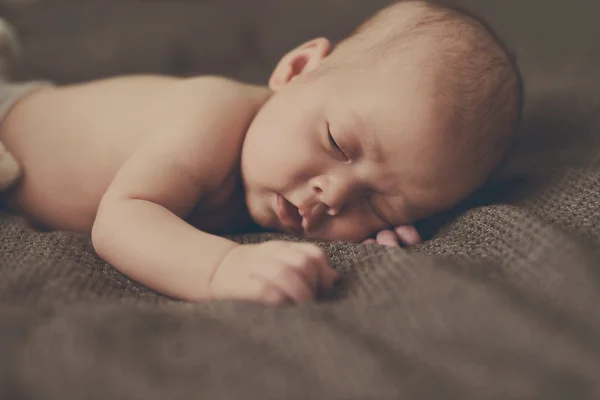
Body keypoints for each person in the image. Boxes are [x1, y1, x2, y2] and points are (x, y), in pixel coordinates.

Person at [0, 0, 522, 305]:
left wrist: (376, 231)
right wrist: (221, 268)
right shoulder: (213, 115)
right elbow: (121, 220)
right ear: (295, 71)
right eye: (338, 144)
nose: (335, 194)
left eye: (382, 203)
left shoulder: (297, 186)